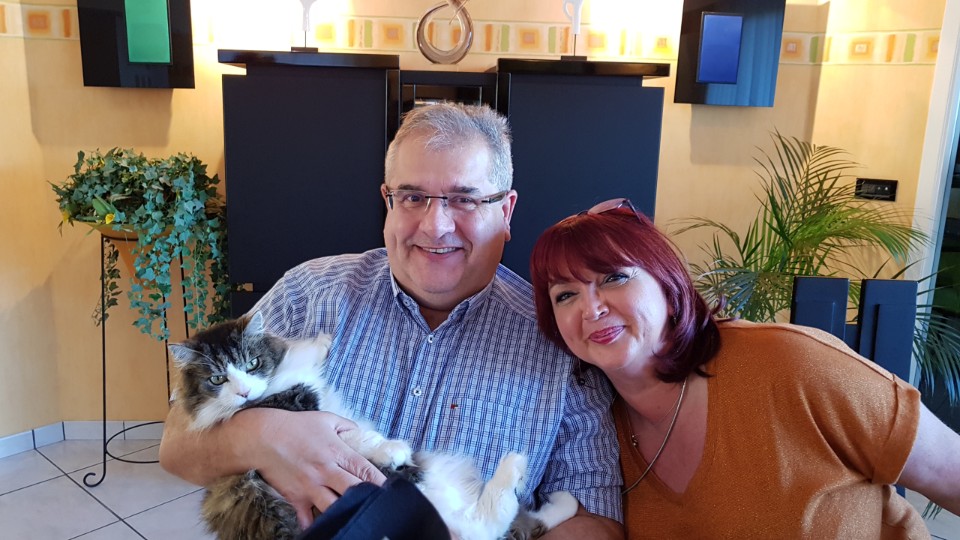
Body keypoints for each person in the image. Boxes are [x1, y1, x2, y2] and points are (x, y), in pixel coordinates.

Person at [158, 103, 623, 538]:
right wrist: (260, 436)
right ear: (388, 202)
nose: (436, 226)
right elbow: (176, 447)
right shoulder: (307, 294)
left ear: (505, 211)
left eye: (464, 200)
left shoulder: (561, 339)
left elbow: (595, 517)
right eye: (413, 196)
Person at [529, 198, 960, 538]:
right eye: (565, 295)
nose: (591, 309)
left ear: (667, 283)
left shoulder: (788, 363)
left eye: (614, 277)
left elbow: (951, 474)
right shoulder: (588, 427)